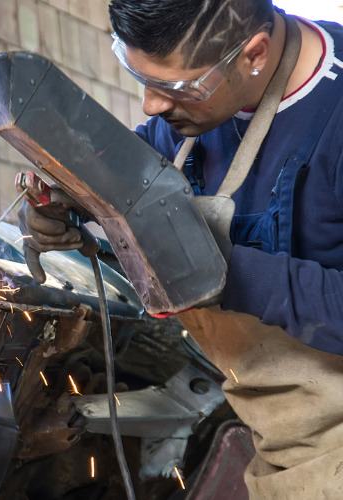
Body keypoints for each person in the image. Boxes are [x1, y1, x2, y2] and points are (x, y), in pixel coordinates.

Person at [19, 0, 343, 498]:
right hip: (281, 443)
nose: (151, 105)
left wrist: (217, 270)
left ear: (252, 54)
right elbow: (138, 175)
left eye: (174, 88)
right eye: (137, 75)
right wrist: (71, 200)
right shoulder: (196, 113)